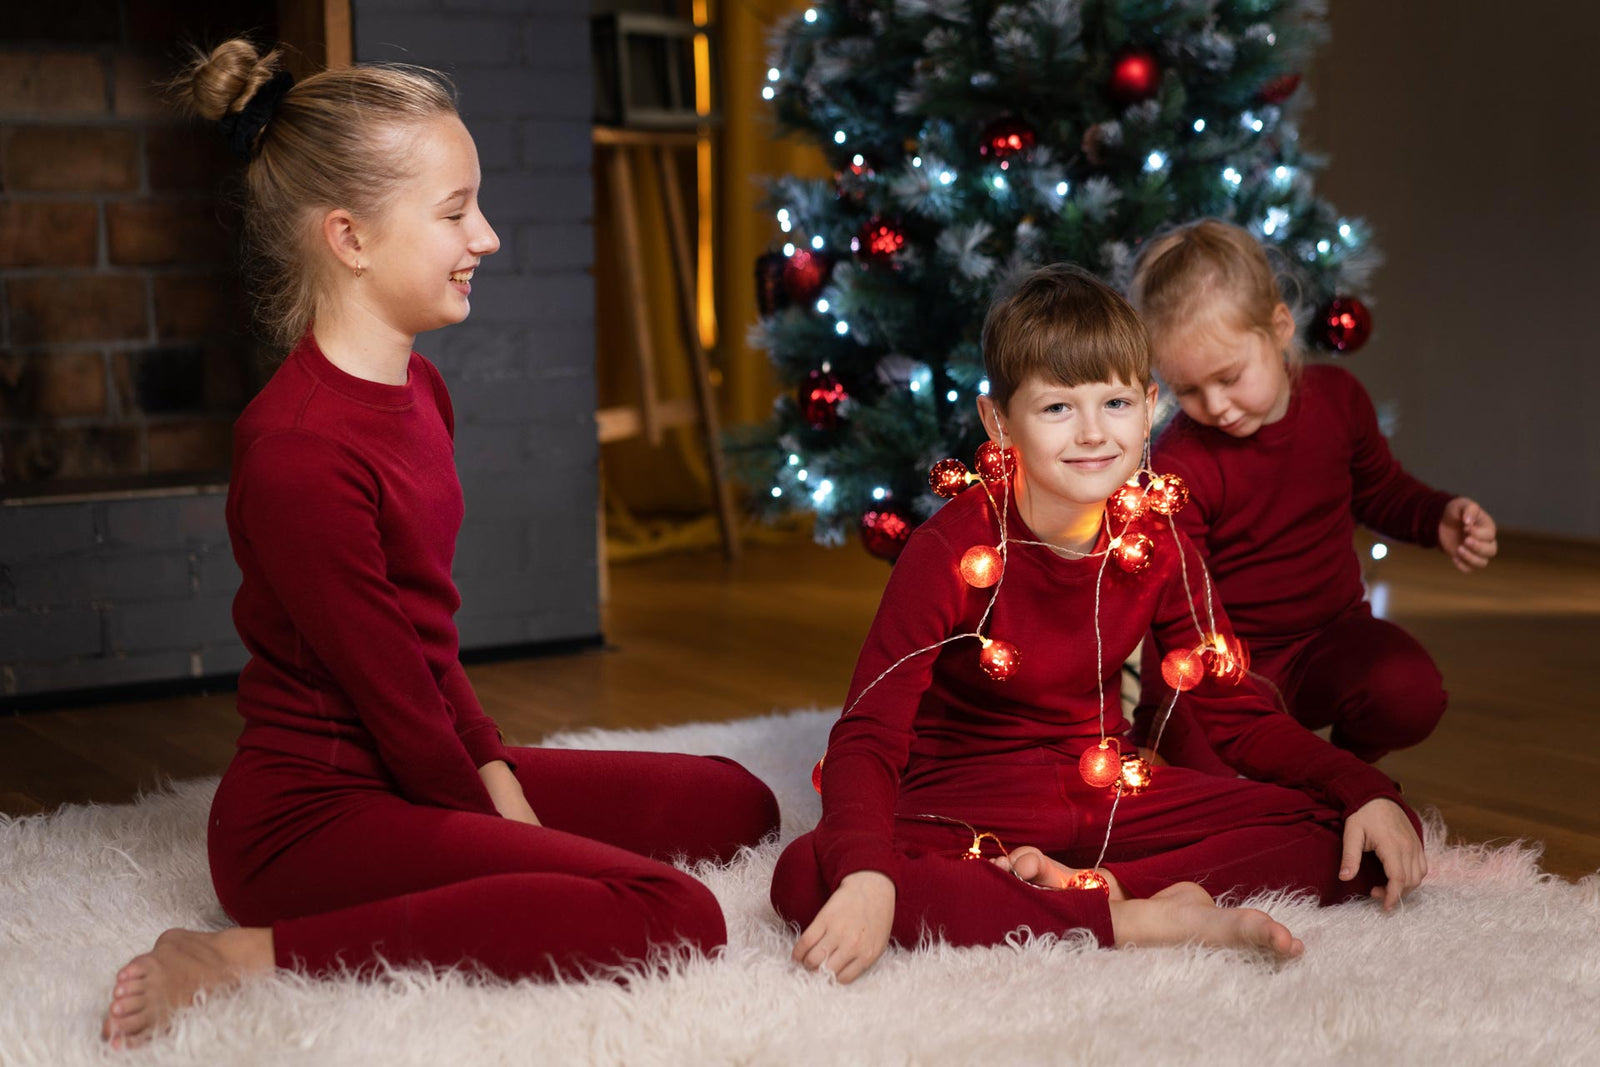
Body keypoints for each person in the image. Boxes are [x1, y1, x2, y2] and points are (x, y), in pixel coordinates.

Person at [102, 40, 779, 1049]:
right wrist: (507, 823)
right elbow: (394, 697)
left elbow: (427, 645)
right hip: (308, 818)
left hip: (409, 753)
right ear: (351, 237)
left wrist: (498, 779)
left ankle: (490, 850)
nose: (489, 237)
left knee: (737, 802)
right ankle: (240, 954)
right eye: (456, 211)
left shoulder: (420, 390)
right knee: (674, 910)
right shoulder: (295, 452)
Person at [768, 264, 1426, 985]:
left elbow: (1235, 713)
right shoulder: (952, 549)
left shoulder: (1155, 537)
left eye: (1114, 402)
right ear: (999, 422)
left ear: (1148, 408)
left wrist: (1364, 787)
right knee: (814, 874)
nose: (1091, 434)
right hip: (965, 799)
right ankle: (1133, 916)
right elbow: (869, 731)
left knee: (1354, 834)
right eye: (1056, 408)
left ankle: (1093, 884)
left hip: (1110, 792)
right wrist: (867, 874)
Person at [1126, 219, 1498, 769]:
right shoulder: (1182, 463)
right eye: (1189, 391)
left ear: (1278, 327)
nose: (1217, 405)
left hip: (1332, 640)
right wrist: (1159, 721)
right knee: (1199, 769)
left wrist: (1436, 515)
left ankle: (1345, 775)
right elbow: (1177, 602)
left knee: (1408, 692)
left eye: (1229, 377)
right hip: (1233, 664)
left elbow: (1381, 489)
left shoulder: (1338, 401)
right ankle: (1282, 776)